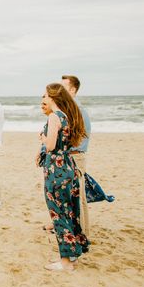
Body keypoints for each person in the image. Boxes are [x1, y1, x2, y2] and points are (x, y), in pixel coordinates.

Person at [40, 83, 89, 271]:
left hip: (56, 171)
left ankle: (66, 263)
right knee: (69, 213)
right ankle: (73, 256)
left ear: (53, 97)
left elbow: (51, 146)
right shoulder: (68, 117)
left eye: (45, 96)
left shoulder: (54, 117)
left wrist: (42, 139)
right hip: (68, 167)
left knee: (58, 215)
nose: (43, 99)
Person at [61, 75, 92, 236]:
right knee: (66, 197)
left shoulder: (77, 110)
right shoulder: (69, 108)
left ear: (73, 90)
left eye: (64, 87)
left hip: (75, 157)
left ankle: (82, 233)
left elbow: (75, 139)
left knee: (77, 199)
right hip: (70, 156)